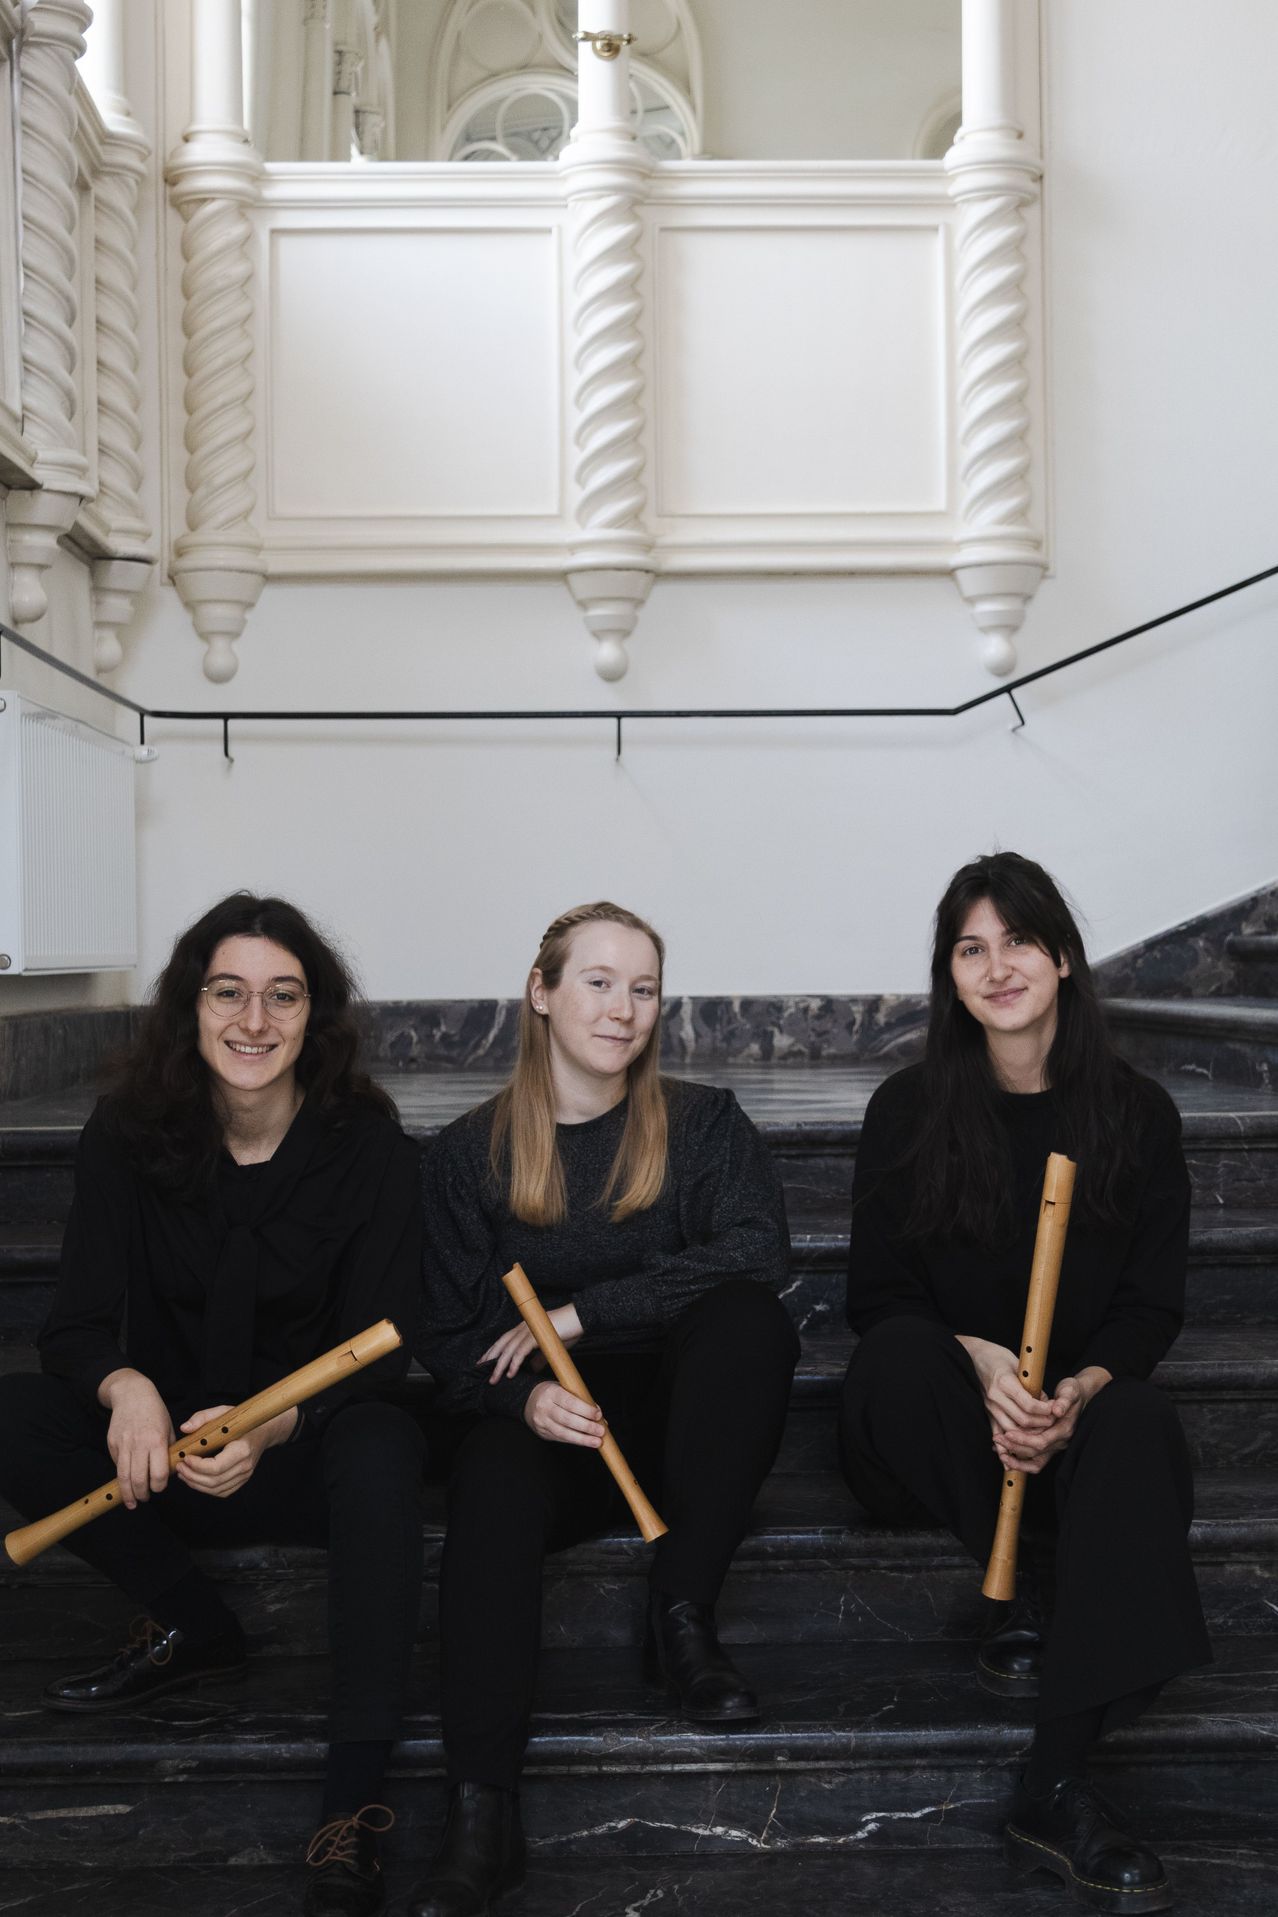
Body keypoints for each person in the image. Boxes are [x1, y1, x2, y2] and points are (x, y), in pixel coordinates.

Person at [0, 894, 425, 1917]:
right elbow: (75, 1326)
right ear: (190, 1009)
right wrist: (129, 1390)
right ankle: (196, 1624)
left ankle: (350, 1810)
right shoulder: (128, 1134)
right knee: (11, 1414)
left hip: (302, 1457)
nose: (254, 1021)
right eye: (227, 992)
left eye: (284, 996)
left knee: (385, 1444)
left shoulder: (367, 1146)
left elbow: (384, 1349)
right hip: (162, 1464)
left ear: (313, 1016)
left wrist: (275, 1422)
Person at [838, 852, 1209, 1915]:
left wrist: (1079, 1391)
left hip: (1071, 1430)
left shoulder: (1137, 1116)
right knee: (895, 1359)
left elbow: (1150, 1312)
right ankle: (1031, 1577)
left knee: (1139, 1421)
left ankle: (1053, 1778)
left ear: (1064, 959)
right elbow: (879, 1297)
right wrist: (981, 1358)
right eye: (970, 948)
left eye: (1018, 942)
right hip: (941, 1431)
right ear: (949, 975)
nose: (996, 966)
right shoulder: (907, 1110)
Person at [413, 901, 797, 1917]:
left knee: (750, 1323)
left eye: (643, 988)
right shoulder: (465, 1156)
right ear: (540, 993)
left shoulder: (706, 1123)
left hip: (686, 1428)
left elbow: (758, 1251)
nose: (623, 1009)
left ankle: (682, 1618)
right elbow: (448, 1344)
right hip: (556, 1433)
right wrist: (530, 1397)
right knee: (490, 1478)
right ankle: (481, 1815)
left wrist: (583, 1314)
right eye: (597, 982)